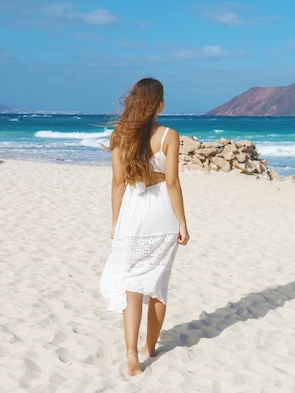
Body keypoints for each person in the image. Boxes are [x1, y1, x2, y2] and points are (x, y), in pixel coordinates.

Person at [100, 77, 190, 376]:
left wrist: (115, 222)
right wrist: (182, 222)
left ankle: (131, 355)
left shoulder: (119, 137)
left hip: (132, 214)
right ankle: (150, 348)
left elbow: (117, 184)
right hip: (162, 213)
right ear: (159, 104)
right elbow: (173, 182)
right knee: (157, 285)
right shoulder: (169, 136)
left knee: (131, 287)